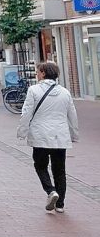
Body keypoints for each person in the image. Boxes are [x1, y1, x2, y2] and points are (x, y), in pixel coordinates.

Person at [17, 62, 79, 213]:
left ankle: (51, 191)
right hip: (60, 136)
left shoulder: (34, 90)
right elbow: (72, 115)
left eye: (38, 71)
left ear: (43, 73)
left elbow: (26, 113)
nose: (37, 74)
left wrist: (22, 132)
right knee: (60, 170)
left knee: (40, 166)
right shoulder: (65, 92)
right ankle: (60, 204)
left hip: (40, 135)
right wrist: (74, 134)